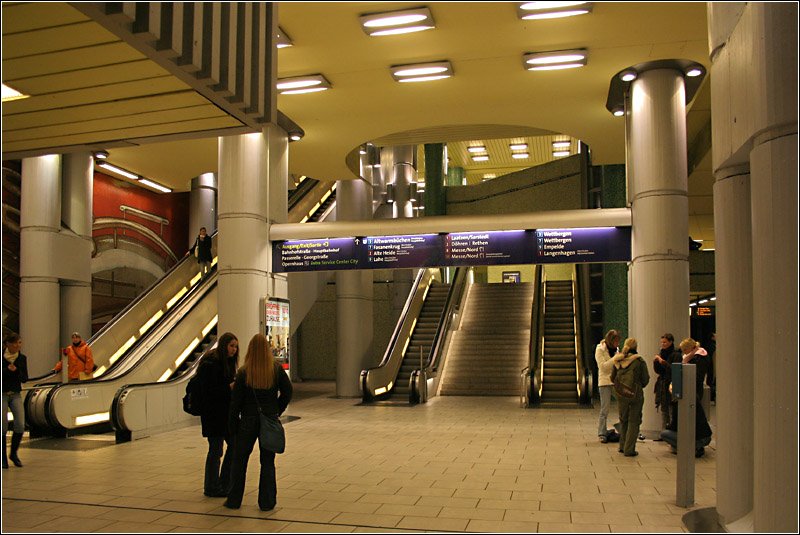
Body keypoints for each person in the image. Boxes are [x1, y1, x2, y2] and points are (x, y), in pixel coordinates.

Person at [224, 333, 292, 511]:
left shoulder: (244, 372)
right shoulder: (275, 370)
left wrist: (232, 426)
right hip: (268, 419)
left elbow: (235, 403)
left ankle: (234, 500)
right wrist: (276, 410)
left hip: (247, 420)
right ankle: (267, 502)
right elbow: (288, 392)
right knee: (267, 462)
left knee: (240, 461)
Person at [197, 332, 239, 497]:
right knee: (216, 450)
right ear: (224, 345)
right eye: (231, 346)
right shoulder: (211, 364)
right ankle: (212, 486)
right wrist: (229, 387)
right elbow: (209, 391)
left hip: (225, 413)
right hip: (213, 414)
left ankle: (223, 483)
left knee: (232, 445)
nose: (234, 350)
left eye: (235, 347)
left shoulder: (227, 363)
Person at [611, 337, 650, 457]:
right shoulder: (639, 361)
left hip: (621, 394)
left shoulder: (618, 360)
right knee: (634, 421)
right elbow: (645, 379)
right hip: (635, 394)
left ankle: (622, 446)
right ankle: (629, 449)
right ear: (636, 347)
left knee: (623, 420)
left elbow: (612, 377)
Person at [3, 332, 28, 469]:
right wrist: (7, 370)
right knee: (3, 426)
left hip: (16, 393)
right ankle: (3, 458)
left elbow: (24, 378)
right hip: (2, 393)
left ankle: (13, 453)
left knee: (20, 424)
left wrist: (16, 370)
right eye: (14, 343)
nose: (17, 346)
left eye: (19, 343)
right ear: (7, 344)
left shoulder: (22, 358)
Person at [653, 333, 682, 436]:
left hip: (671, 385)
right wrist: (656, 362)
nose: (663, 344)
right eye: (662, 342)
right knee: (664, 410)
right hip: (662, 385)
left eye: (665, 342)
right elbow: (659, 371)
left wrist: (663, 362)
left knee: (671, 409)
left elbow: (674, 370)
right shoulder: (662, 353)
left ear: (671, 342)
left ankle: (673, 433)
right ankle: (664, 433)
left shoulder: (676, 355)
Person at [595, 329, 621, 443]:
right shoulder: (600, 349)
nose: (617, 344)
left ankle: (622, 429)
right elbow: (603, 367)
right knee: (604, 408)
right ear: (610, 340)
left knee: (623, 405)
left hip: (616, 381)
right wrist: (615, 359)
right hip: (605, 382)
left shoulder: (616, 350)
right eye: (616, 341)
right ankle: (602, 432)